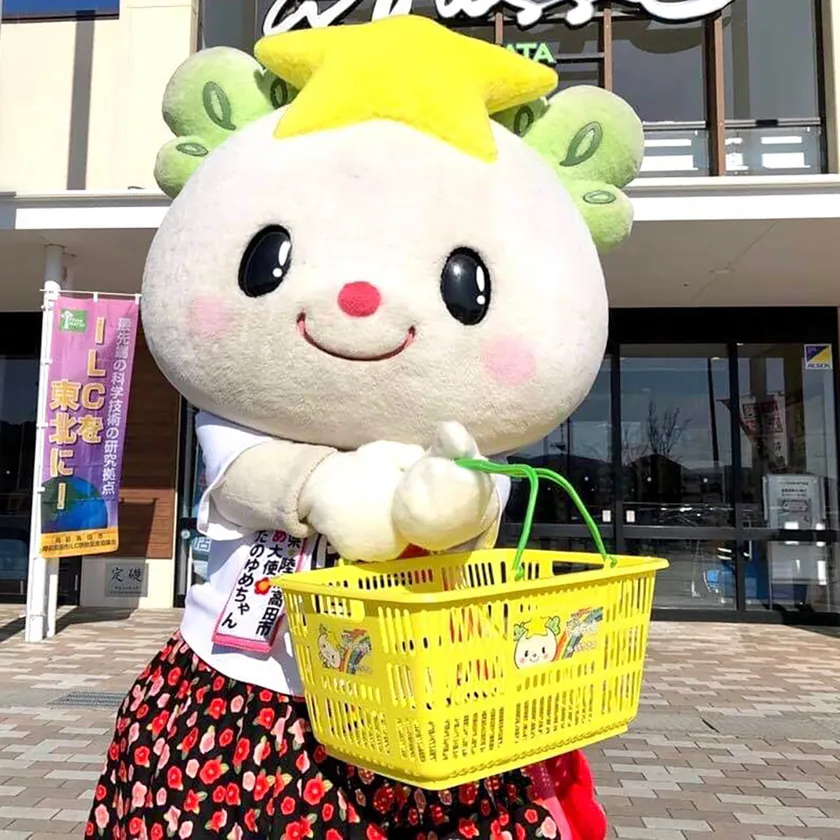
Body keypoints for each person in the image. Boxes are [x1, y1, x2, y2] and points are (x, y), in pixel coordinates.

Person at [87, 14, 643, 839]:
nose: (359, 302)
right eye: (269, 261)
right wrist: (325, 486)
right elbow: (246, 484)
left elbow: (473, 517)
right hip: (249, 696)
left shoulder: (460, 445)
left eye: (465, 285)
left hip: (426, 708)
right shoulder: (232, 429)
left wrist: (448, 503)